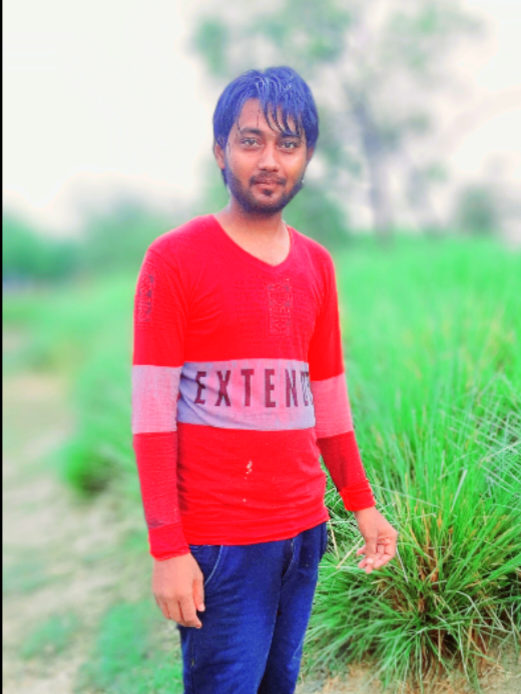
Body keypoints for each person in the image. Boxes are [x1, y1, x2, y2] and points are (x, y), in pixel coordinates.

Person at [132, 66, 398, 694]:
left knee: (280, 682)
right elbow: (152, 416)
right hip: (221, 543)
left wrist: (362, 505)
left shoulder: (316, 265)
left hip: (304, 530)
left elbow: (328, 402)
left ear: (307, 156)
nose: (270, 160)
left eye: (288, 143)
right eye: (251, 141)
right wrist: (167, 548)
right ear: (220, 150)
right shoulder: (174, 259)